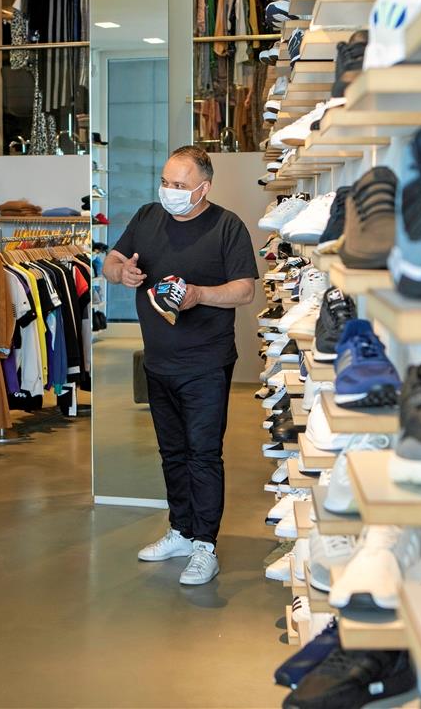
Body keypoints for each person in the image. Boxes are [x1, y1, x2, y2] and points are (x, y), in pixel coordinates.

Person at [103, 145, 259, 585]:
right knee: (171, 452)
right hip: (158, 359)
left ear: (203, 188)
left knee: (203, 454)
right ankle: (182, 531)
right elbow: (112, 260)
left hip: (206, 362)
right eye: (166, 181)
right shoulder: (148, 216)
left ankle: (205, 545)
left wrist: (200, 295)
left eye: (180, 185)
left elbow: (245, 290)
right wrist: (122, 274)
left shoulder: (227, 226)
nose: (169, 191)